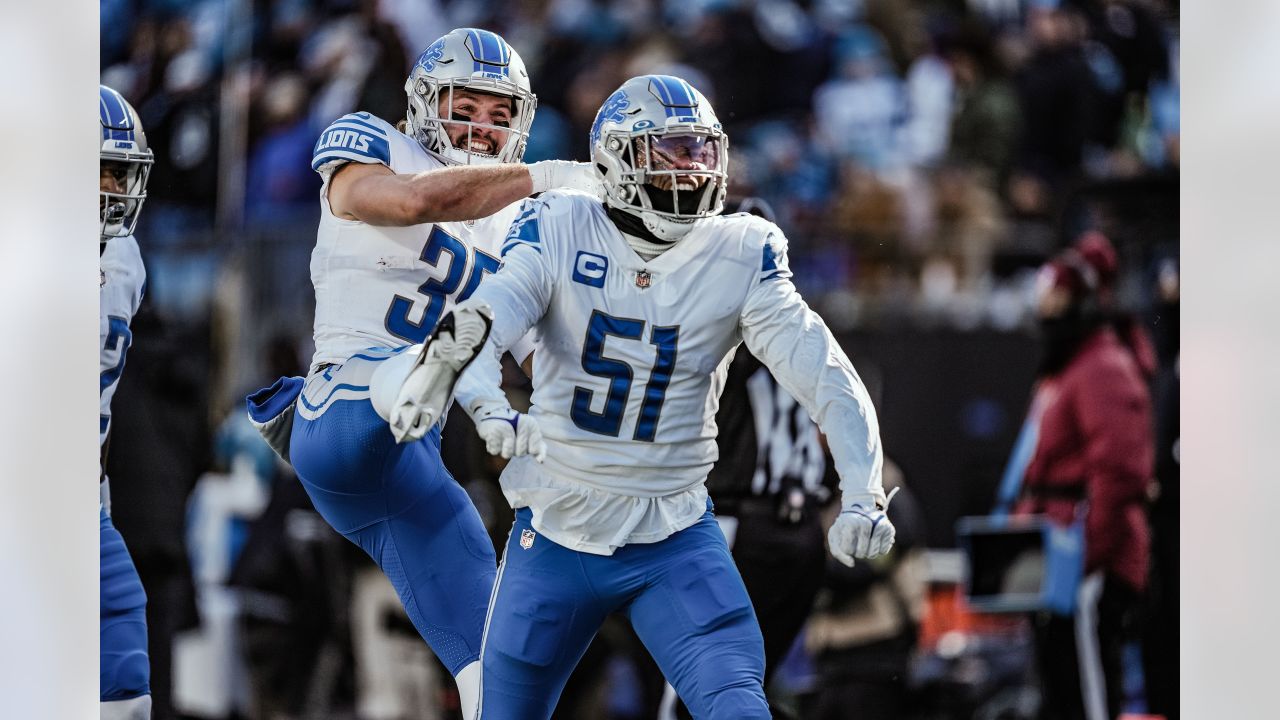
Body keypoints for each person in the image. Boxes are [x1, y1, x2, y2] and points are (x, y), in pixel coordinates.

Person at [432, 74, 896, 719]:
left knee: (737, 707)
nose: (692, 171)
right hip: (557, 532)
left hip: (674, 534)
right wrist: (486, 405)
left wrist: (864, 491)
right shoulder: (561, 222)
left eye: (700, 152)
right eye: (670, 153)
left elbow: (827, 375)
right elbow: (482, 323)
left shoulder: (740, 249)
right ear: (617, 161)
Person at [244, 28, 600, 720]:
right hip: (340, 410)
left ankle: (433, 368)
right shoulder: (372, 140)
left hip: (416, 469)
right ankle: (424, 366)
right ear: (425, 103)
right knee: (409, 365)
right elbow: (408, 204)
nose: (484, 127)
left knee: (503, 680)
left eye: (502, 115)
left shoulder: (522, 225)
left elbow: (548, 360)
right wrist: (552, 176)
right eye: (468, 107)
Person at [1014, 234, 1153, 720]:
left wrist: (1086, 561)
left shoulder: (1103, 370)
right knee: (1061, 694)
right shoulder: (1069, 369)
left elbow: (1121, 476)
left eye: (1059, 297)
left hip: (1089, 567)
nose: (1046, 309)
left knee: (1090, 697)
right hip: (1058, 564)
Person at [99, 83, 156, 720]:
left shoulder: (124, 258)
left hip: (86, 506)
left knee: (125, 690)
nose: (112, 189)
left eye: (121, 174)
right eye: (97, 172)